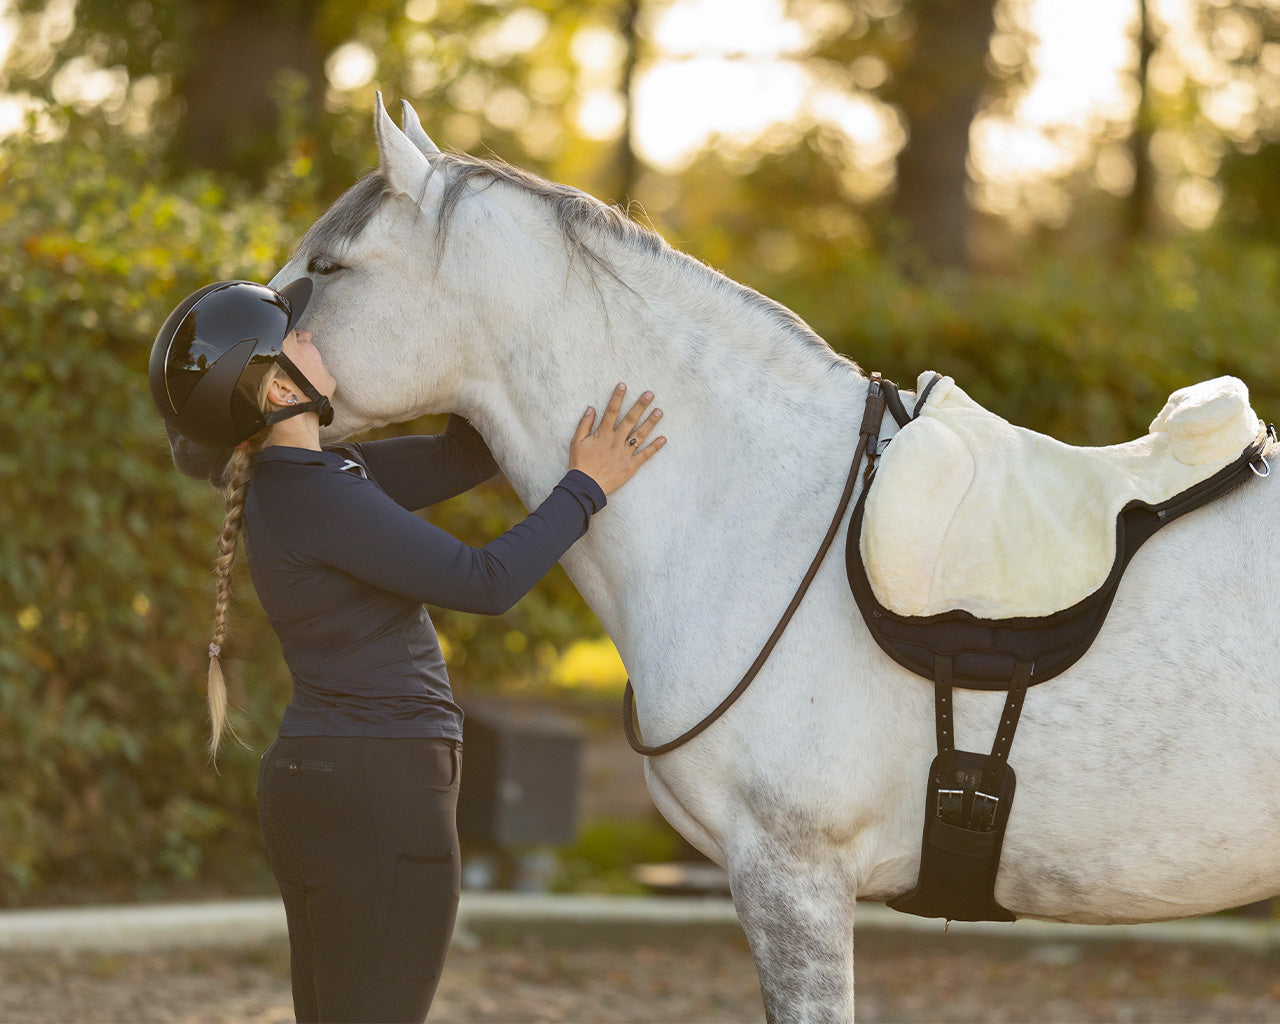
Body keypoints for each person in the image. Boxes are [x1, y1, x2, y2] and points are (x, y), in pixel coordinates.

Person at [148, 278, 665, 1022]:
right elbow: (486, 582)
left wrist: (494, 328)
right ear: (274, 392)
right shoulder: (318, 496)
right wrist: (586, 487)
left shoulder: (315, 477)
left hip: (331, 779)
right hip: (377, 789)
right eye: (296, 338)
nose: (314, 340)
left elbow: (464, 454)